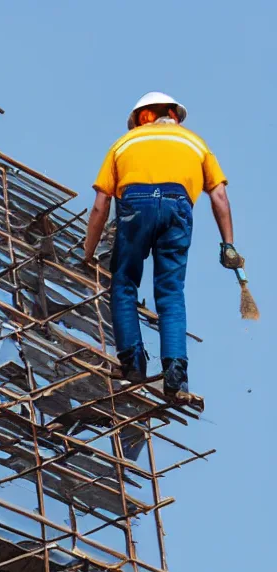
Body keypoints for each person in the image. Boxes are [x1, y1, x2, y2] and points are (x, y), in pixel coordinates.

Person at [84, 92, 243, 403]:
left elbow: (101, 206)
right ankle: (175, 374)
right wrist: (229, 245)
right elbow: (220, 197)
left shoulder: (123, 144)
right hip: (177, 207)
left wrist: (88, 254)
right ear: (173, 114)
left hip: (135, 207)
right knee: (170, 293)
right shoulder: (195, 143)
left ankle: (132, 363)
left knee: (124, 284)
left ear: (143, 117)